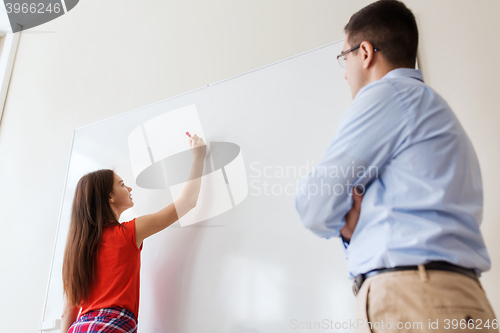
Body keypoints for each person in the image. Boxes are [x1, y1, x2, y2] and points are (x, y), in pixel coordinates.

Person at [294, 1, 498, 332]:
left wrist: (343, 222)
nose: (345, 72)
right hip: (453, 296)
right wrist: (352, 228)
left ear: (364, 52)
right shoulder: (430, 109)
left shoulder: (387, 95)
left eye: (343, 58)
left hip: (414, 295)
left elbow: (313, 204)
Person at [60, 134, 206, 332]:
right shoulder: (128, 232)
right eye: (121, 184)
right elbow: (187, 202)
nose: (128, 188)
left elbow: (68, 311)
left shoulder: (78, 250)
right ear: (109, 196)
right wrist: (199, 157)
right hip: (111, 327)